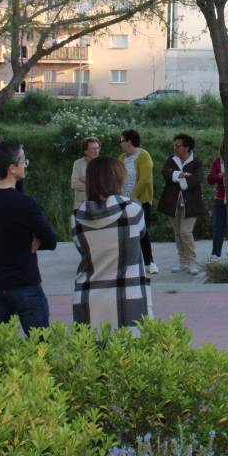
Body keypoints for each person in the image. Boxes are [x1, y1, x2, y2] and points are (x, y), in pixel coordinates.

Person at [0, 139, 58, 333]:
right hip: (24, 282)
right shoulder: (25, 203)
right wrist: (37, 240)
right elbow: (51, 239)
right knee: (40, 344)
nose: (25, 164)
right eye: (23, 160)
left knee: (1, 345)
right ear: (12, 168)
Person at [73, 155, 153, 330]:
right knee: (134, 353)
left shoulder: (76, 218)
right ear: (118, 178)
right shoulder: (133, 210)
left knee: (91, 353)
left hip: (88, 295)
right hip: (129, 294)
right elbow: (141, 234)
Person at [158, 133, 205, 274]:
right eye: (174, 145)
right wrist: (180, 175)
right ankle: (182, 262)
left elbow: (196, 179)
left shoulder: (196, 162)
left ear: (186, 147)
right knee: (178, 233)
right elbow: (165, 173)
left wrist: (180, 179)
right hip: (172, 203)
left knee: (185, 232)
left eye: (178, 145)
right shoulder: (171, 160)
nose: (175, 147)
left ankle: (191, 262)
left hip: (191, 203)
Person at [119, 129, 158, 276]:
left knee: (142, 232)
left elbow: (145, 180)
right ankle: (130, 264)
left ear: (129, 141)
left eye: (121, 140)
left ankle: (150, 263)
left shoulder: (143, 155)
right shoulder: (121, 158)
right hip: (124, 201)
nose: (120, 143)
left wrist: (134, 198)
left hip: (141, 201)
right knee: (126, 233)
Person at [71, 136, 101, 210]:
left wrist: (85, 181)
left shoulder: (103, 164)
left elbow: (105, 185)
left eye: (97, 148)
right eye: (93, 149)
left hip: (99, 204)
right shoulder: (78, 163)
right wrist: (94, 185)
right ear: (86, 151)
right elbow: (74, 184)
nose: (96, 151)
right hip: (81, 204)